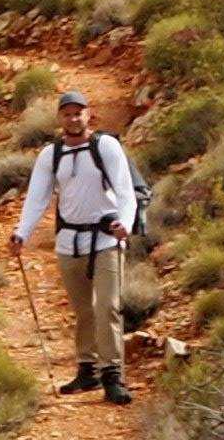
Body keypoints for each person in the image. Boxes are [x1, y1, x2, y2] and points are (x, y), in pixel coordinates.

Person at [15, 84, 140, 405]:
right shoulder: (51, 155)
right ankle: (88, 368)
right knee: (83, 310)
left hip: (106, 239)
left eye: (78, 113)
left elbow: (125, 190)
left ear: (88, 115)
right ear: (60, 118)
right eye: (67, 114)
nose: (73, 119)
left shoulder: (106, 146)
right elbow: (38, 197)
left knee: (107, 307)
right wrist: (21, 233)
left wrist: (125, 224)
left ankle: (112, 374)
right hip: (69, 242)